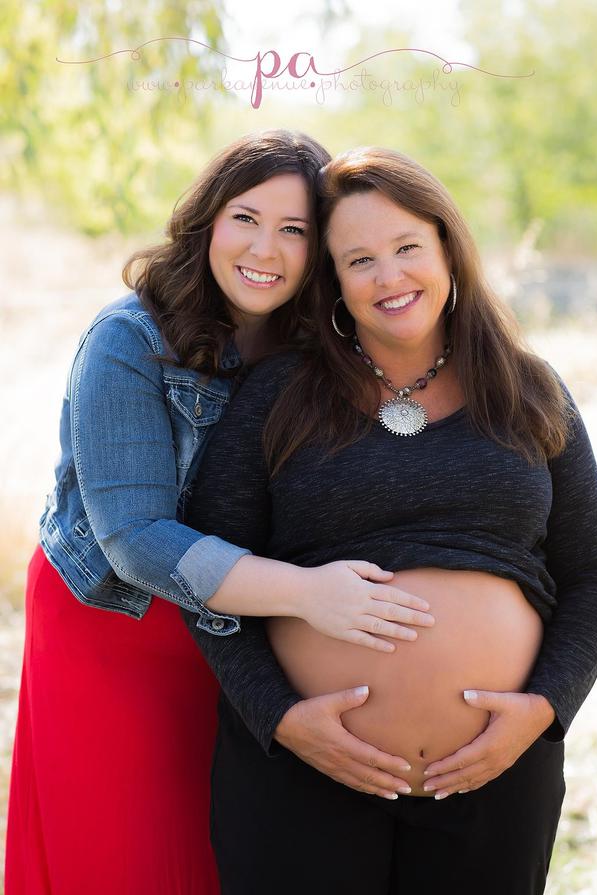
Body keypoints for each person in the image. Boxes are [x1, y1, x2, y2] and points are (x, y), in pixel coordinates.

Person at [181, 147, 597, 895]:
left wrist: (545, 709)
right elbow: (204, 569)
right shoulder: (277, 395)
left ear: (447, 248)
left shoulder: (528, 390)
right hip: (300, 780)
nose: (389, 277)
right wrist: (279, 716)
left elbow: (596, 570)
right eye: (359, 260)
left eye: (407, 247)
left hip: (494, 782)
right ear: (333, 282)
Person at [4, 132, 437, 895]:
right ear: (208, 220)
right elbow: (135, 538)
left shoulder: (317, 348)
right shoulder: (129, 339)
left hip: (242, 632)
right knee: (130, 857)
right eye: (246, 218)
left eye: (294, 229)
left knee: (221, 854)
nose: (265, 249)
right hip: (119, 625)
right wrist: (309, 594)